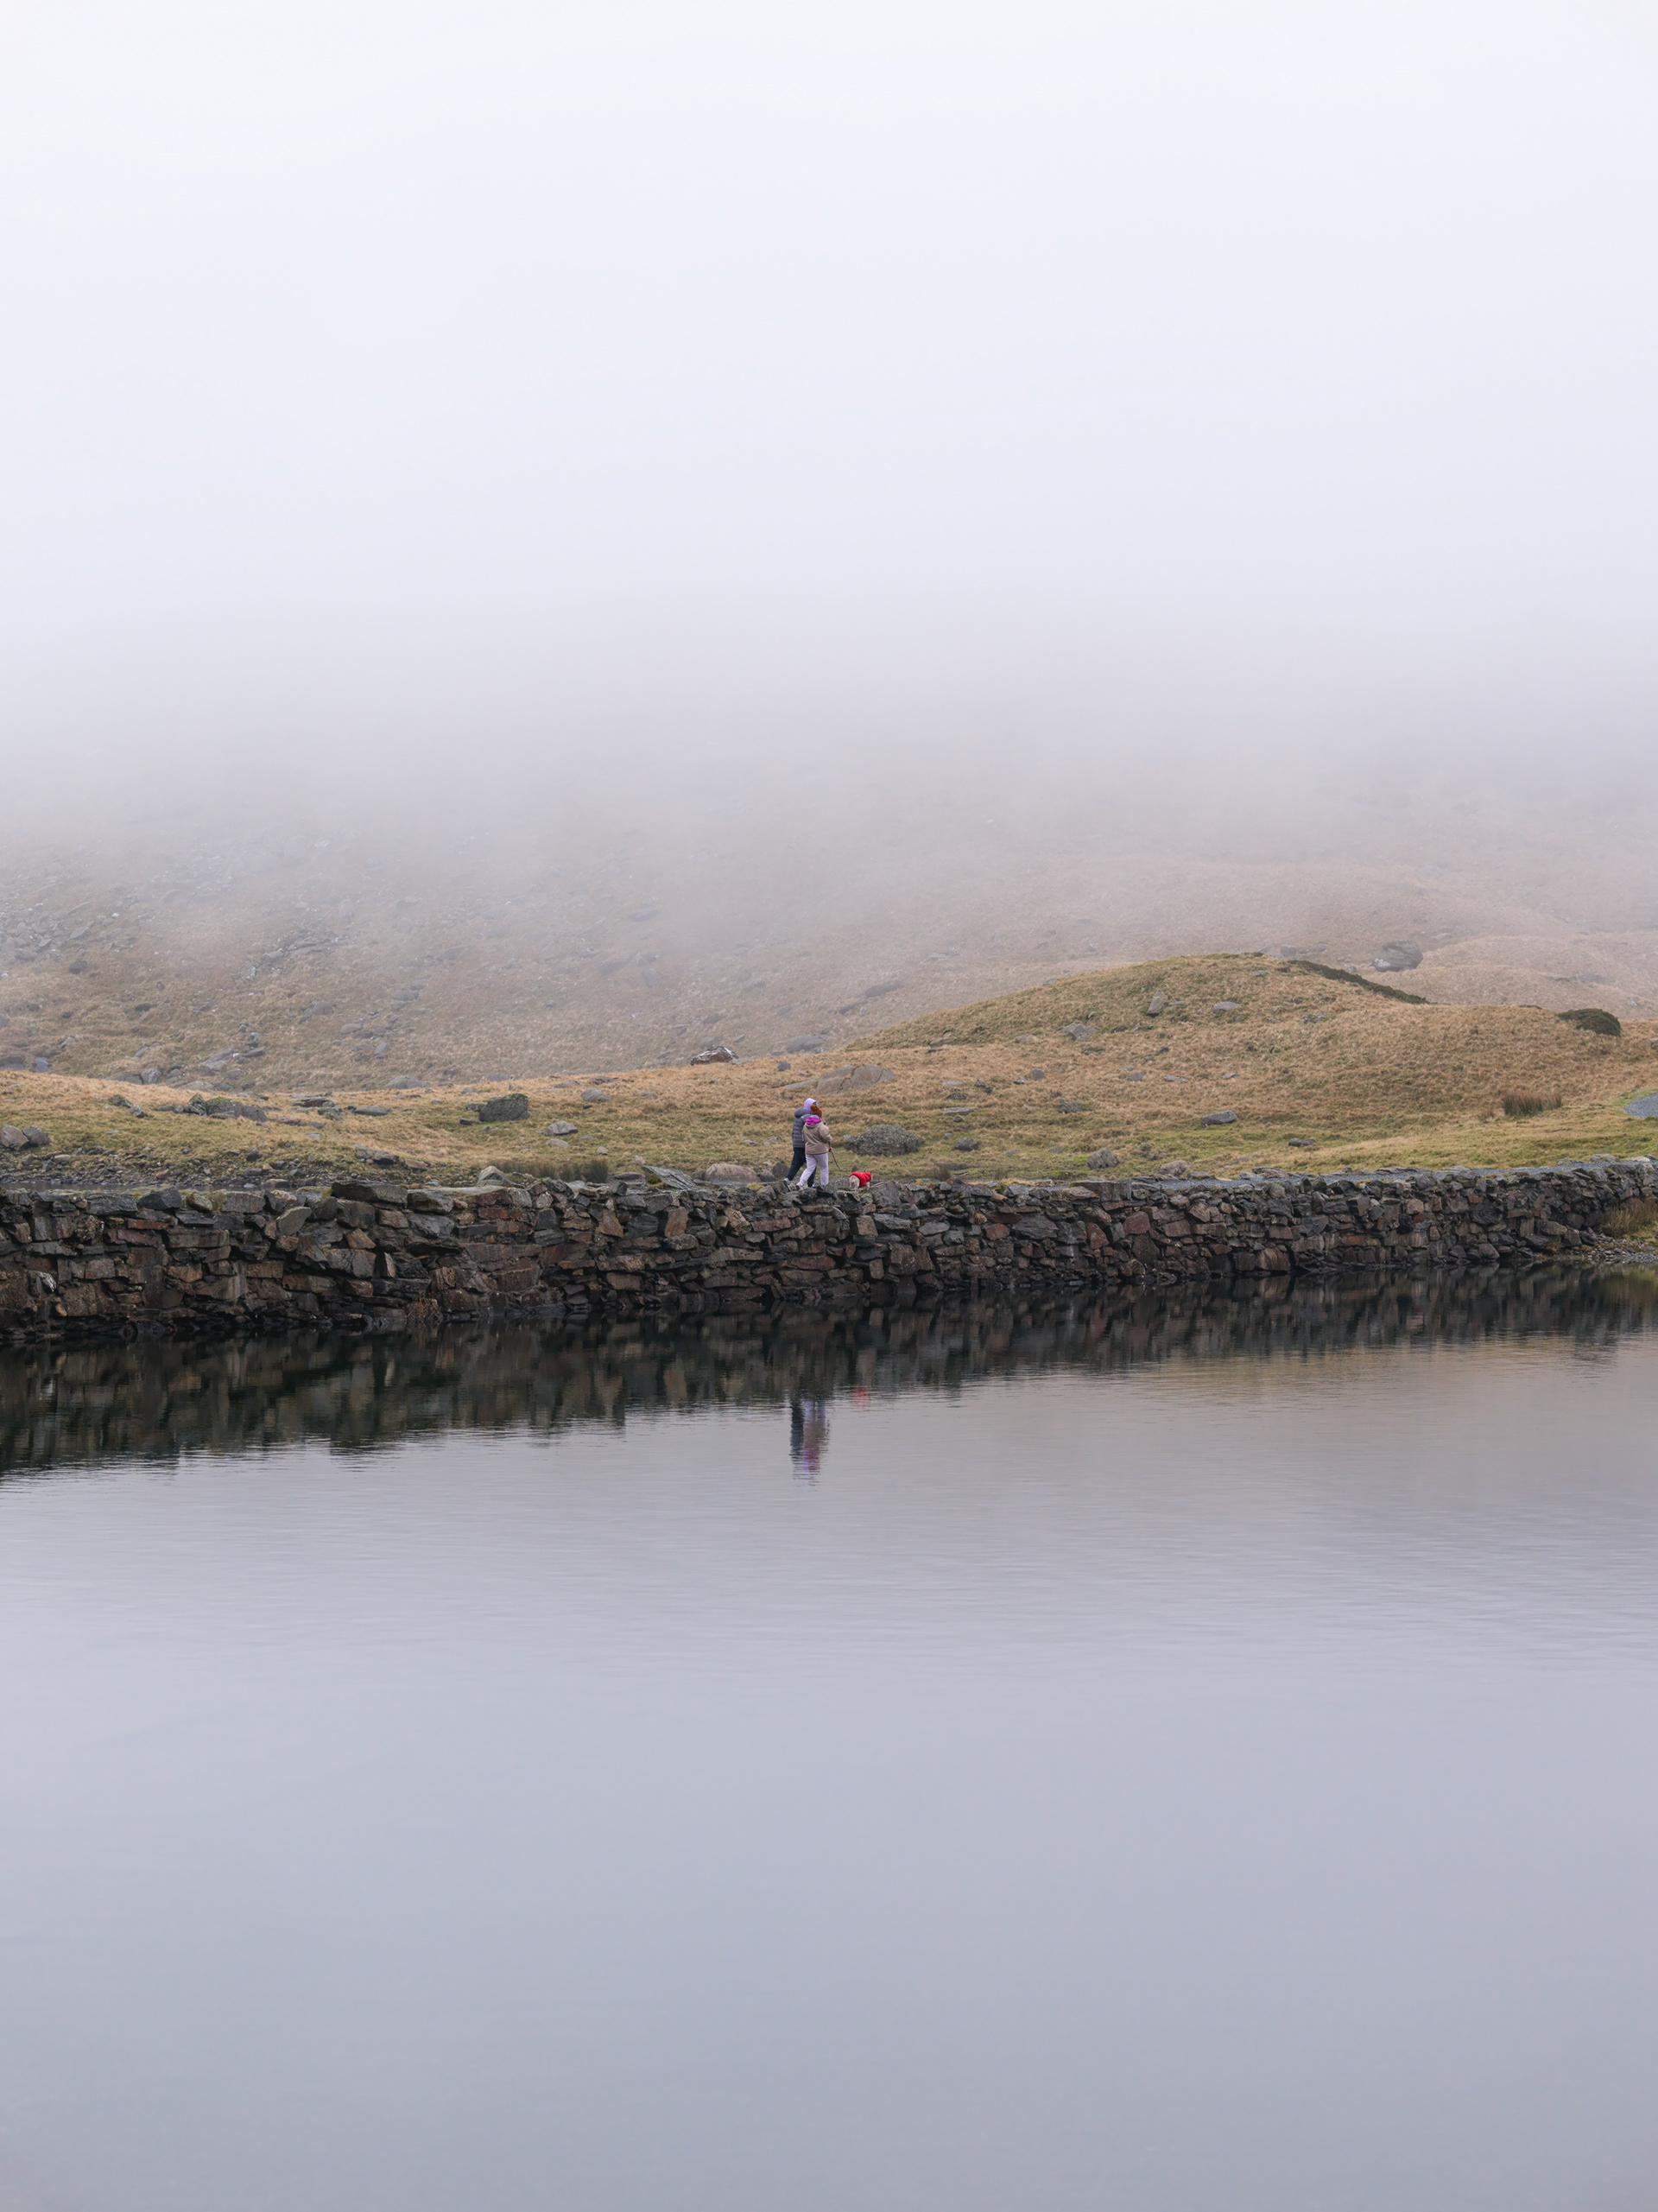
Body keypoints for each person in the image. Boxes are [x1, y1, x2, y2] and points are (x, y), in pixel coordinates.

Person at [797, 1110, 832, 1188]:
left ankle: (800, 1183)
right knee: (824, 1168)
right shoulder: (820, 1125)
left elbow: (803, 1138)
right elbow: (826, 1137)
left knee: (809, 1168)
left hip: (809, 1151)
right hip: (820, 1151)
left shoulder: (805, 1126)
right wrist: (830, 1139)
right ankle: (824, 1186)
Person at [787, 1095, 816, 1183]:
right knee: (812, 1165)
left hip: (796, 1144)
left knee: (796, 1164)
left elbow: (793, 1132)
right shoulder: (807, 1116)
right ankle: (810, 1185)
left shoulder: (797, 1116)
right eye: (813, 1106)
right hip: (804, 1145)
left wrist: (794, 1143)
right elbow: (813, 1127)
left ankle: (787, 1179)